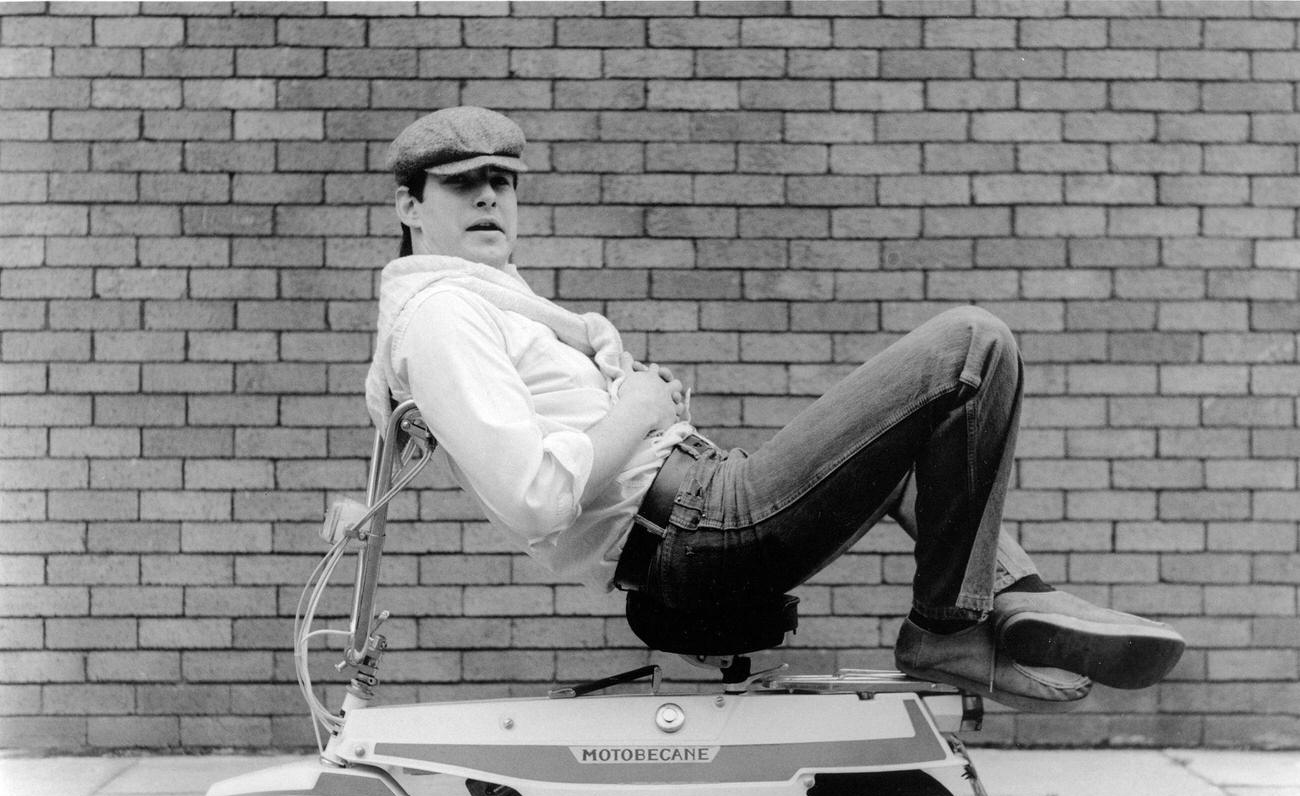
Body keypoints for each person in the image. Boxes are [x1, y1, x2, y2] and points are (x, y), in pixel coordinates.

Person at [365, 106, 1185, 712]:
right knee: (971, 346)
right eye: (462, 183)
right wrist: (641, 406)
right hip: (690, 530)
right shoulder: (444, 313)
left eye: (502, 182)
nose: (490, 198)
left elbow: (447, 429)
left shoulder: (490, 303)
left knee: (916, 453)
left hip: (694, 508)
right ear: (409, 206)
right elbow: (530, 494)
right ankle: (962, 625)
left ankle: (1013, 600)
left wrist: (355, 510)